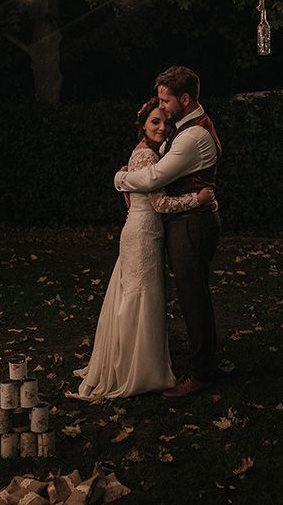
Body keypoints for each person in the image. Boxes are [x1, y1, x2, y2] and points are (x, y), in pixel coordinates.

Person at [73, 98, 215, 399]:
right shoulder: (146, 158)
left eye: (165, 122)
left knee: (138, 298)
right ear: (143, 124)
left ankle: (132, 364)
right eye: (155, 122)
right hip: (143, 234)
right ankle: (134, 370)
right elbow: (160, 203)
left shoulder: (150, 153)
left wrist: (121, 179)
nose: (162, 127)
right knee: (140, 299)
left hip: (145, 232)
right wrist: (197, 200)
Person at [114, 66, 221, 399]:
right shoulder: (185, 127)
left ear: (185, 99)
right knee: (194, 295)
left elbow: (153, 179)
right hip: (187, 221)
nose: (162, 106)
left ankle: (202, 373)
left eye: (166, 100)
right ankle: (205, 364)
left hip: (191, 223)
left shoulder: (192, 136)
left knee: (193, 298)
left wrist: (120, 179)